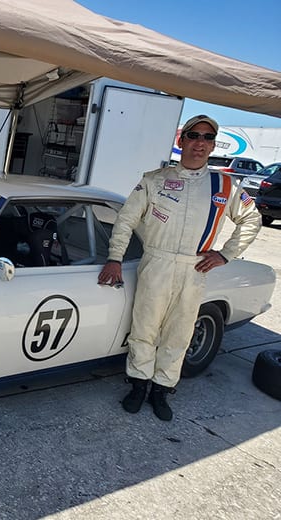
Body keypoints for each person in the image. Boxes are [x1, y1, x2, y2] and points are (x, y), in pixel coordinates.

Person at [97, 114, 261, 421]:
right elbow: (126, 220)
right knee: (145, 328)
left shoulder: (225, 184)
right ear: (181, 140)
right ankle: (138, 384)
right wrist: (114, 257)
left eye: (208, 137)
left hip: (194, 268)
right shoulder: (153, 180)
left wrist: (226, 253)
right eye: (194, 135)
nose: (200, 143)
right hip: (156, 262)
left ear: (213, 145)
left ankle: (162, 389)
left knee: (179, 333)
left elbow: (252, 219)